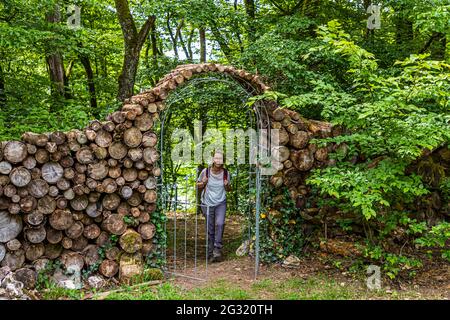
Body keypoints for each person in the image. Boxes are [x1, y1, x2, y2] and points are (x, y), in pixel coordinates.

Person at [196, 151, 231, 262]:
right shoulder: (205, 172)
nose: (218, 161)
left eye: (220, 158)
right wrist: (203, 183)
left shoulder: (226, 173)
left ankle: (217, 249)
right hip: (207, 203)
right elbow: (197, 186)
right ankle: (210, 252)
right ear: (212, 159)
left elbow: (229, 189)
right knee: (210, 227)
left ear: (223, 160)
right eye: (216, 158)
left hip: (221, 202)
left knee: (220, 223)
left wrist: (227, 185)